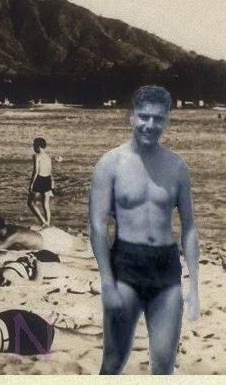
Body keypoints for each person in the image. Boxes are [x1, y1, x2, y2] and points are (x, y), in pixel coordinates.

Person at [89, 85, 200, 375]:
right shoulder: (110, 164)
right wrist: (107, 283)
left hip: (166, 268)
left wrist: (195, 285)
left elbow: (189, 227)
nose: (150, 125)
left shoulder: (177, 166)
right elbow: (98, 226)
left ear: (167, 120)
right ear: (131, 116)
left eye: (158, 118)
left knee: (163, 366)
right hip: (126, 265)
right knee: (113, 362)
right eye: (144, 116)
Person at [0, 214, 84, 254]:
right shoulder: (4, 232)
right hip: (44, 236)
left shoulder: (13, 235)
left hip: (50, 240)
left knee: (84, 246)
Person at [27, 137, 54, 228]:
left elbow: (35, 171)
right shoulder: (48, 157)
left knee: (31, 203)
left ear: (38, 146)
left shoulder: (36, 156)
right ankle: (48, 223)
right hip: (47, 179)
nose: (33, 148)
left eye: (34, 146)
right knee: (46, 204)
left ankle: (43, 221)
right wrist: (52, 185)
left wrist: (31, 184)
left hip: (39, 179)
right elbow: (50, 171)